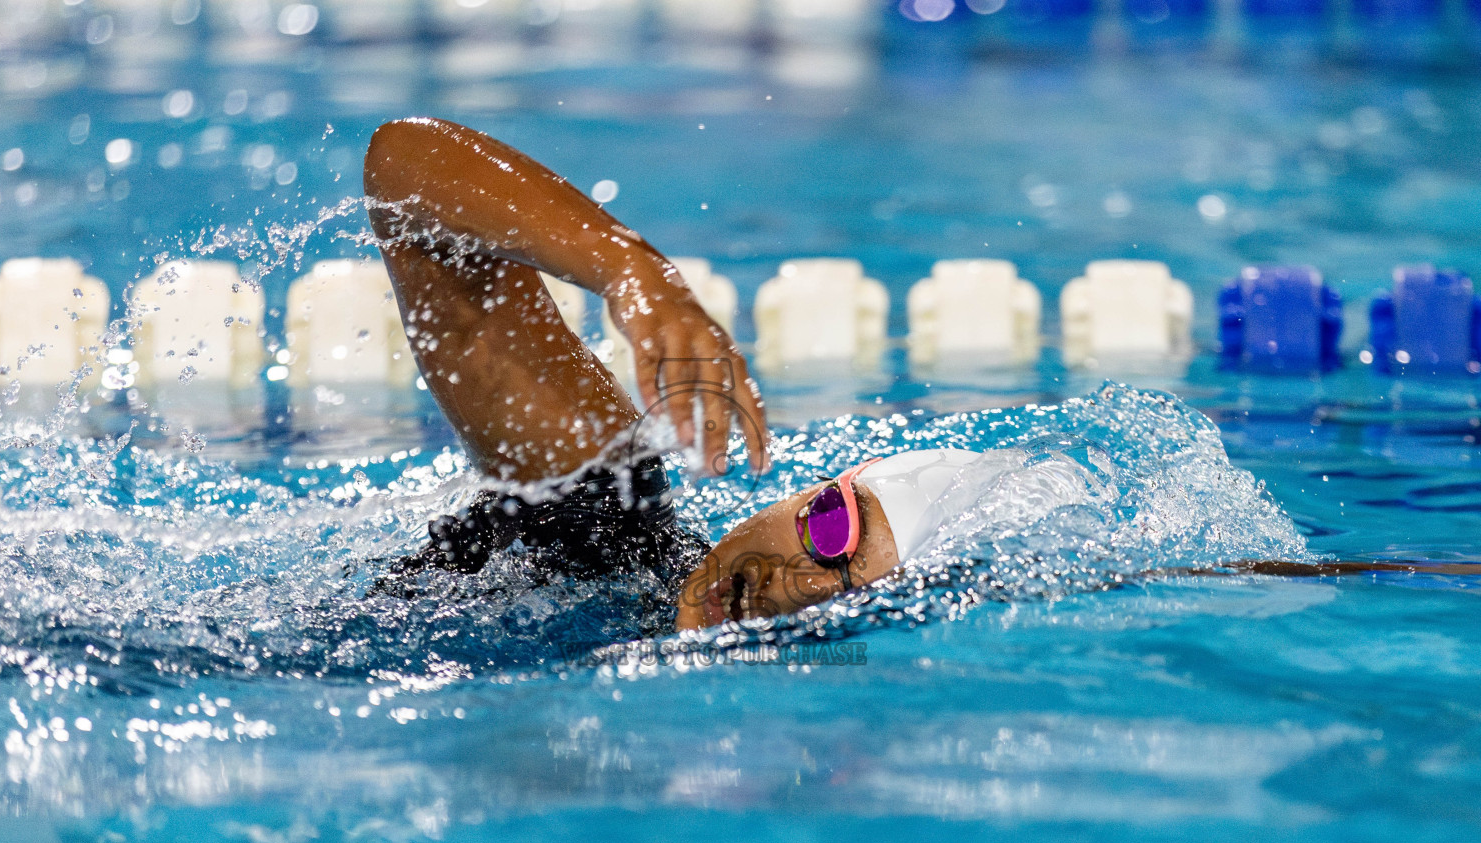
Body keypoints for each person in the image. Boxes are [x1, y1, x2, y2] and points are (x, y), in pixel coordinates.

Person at [364, 118, 1481, 633]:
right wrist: (632, 271)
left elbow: (1179, 580)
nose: (801, 581)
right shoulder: (597, 524)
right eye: (835, 529)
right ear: (813, 488)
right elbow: (401, 172)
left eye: (856, 588)